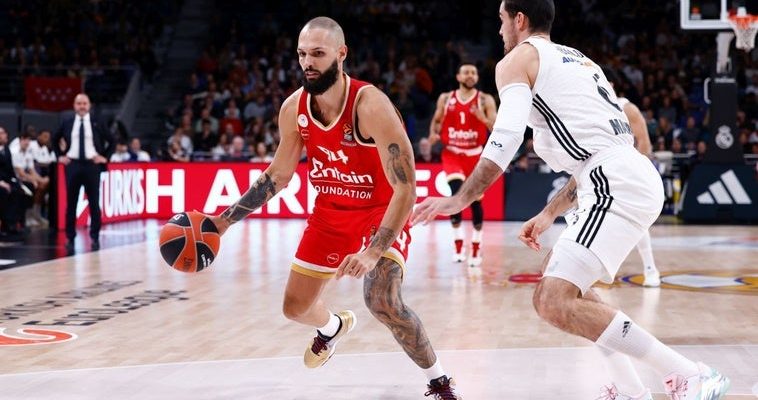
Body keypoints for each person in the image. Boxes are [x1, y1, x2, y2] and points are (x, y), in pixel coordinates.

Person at [412, 2, 729, 400]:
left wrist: (461, 198)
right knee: (565, 287)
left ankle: (689, 374)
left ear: (519, 20)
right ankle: (632, 391)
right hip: (617, 174)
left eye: (501, 20)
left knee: (552, 300)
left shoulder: (518, 59)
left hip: (613, 181)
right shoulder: (580, 60)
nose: (499, 30)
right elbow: (595, 153)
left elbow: (506, 138)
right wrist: (548, 213)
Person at [209, 17, 461, 399]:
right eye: (302, 55)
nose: (308, 62)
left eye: (318, 54)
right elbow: (278, 175)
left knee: (381, 299)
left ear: (341, 54)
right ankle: (332, 327)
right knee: (294, 308)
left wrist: (375, 250)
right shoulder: (294, 108)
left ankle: (439, 381)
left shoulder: (370, 104)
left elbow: (406, 187)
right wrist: (224, 221)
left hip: (380, 210)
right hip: (330, 213)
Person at [428, 63, 497, 268]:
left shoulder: (485, 99)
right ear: (458, 76)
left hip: (475, 156)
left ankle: (476, 246)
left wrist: (481, 117)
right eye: (466, 72)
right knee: (457, 195)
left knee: (475, 201)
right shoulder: (446, 98)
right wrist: (433, 133)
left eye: (474, 72)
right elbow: (436, 121)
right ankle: (458, 244)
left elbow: (495, 127)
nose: (470, 75)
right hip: (452, 154)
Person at [601, 66, 661, 287]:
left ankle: (650, 269)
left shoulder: (627, 108)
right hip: (603, 171)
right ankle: (605, 269)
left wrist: (635, 168)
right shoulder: (595, 108)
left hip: (629, 171)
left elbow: (644, 142)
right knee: (601, 220)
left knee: (636, 220)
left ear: (612, 85)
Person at [54, 93, 116, 253]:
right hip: (73, 165)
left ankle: (94, 237)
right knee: (71, 203)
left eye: (84, 103)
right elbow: (54, 139)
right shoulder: (67, 122)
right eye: (79, 103)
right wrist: (60, 156)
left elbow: (113, 140)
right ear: (74, 105)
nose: (82, 106)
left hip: (92, 166)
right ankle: (70, 237)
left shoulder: (97, 122)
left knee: (94, 203)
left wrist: (105, 157)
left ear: (89, 105)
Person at [12, 132, 49, 227]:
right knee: (31, 186)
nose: (27, 142)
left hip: (23, 178)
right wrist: (33, 180)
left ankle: (35, 214)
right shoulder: (14, 151)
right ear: (20, 140)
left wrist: (41, 179)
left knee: (42, 185)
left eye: (28, 140)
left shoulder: (28, 151)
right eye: (25, 140)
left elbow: (31, 170)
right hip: (14, 179)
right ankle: (27, 217)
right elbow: (20, 173)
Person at [0, 126, 29, 241]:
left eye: (4, 133)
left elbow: (10, 170)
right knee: (3, 193)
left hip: (7, 180)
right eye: (1, 133)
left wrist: (16, 181)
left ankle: (14, 224)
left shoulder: (6, 150)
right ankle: (5, 225)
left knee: (19, 191)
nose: (5, 135)